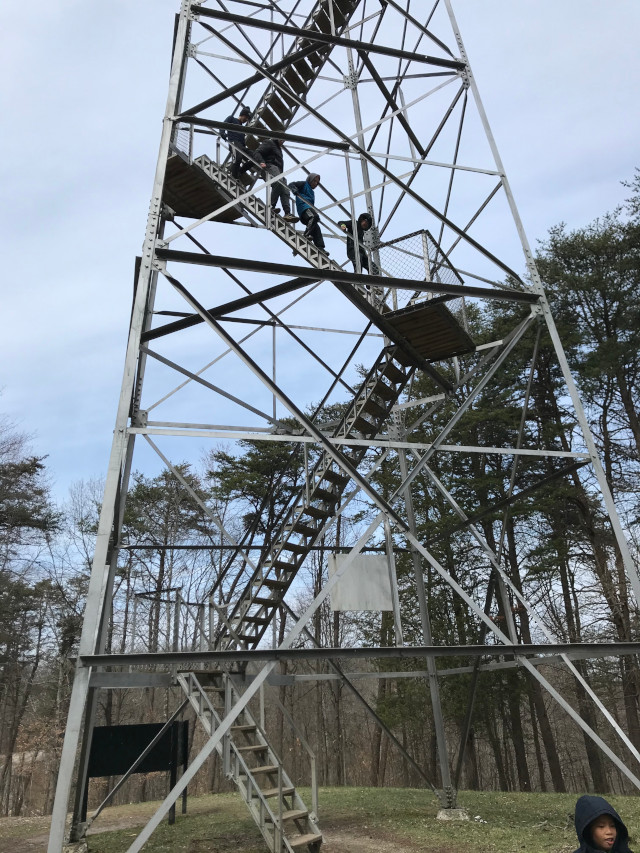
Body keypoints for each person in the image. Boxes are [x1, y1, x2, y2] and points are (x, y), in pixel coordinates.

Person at [255, 137, 297, 222]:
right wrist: (261, 161)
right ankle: (271, 207)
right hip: (269, 167)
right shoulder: (269, 142)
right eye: (281, 139)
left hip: (278, 171)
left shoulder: (279, 149)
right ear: (276, 137)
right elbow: (257, 152)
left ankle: (287, 213)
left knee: (285, 189)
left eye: (284, 140)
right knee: (279, 182)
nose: (283, 141)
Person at [289, 174, 325, 251]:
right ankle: (306, 235)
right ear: (310, 179)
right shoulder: (304, 184)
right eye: (314, 181)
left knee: (316, 228)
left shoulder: (312, 192)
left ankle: (320, 247)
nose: (315, 183)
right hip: (304, 209)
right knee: (314, 217)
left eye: (317, 183)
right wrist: (294, 189)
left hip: (308, 210)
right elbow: (291, 184)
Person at [221, 105, 252, 179]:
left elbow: (242, 141)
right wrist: (222, 133)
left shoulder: (242, 129)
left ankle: (240, 172)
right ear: (242, 115)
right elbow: (223, 125)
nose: (246, 120)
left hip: (241, 146)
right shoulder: (232, 119)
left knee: (254, 157)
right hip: (233, 142)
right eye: (246, 117)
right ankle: (234, 177)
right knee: (238, 158)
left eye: (247, 119)